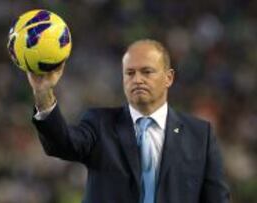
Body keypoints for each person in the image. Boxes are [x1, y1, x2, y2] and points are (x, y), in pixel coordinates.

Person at [27, 39, 230, 203]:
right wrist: (43, 92)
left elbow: (216, 198)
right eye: (130, 73)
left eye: (147, 71)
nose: (137, 79)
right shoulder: (100, 123)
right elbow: (62, 144)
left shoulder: (200, 134)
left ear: (169, 78)